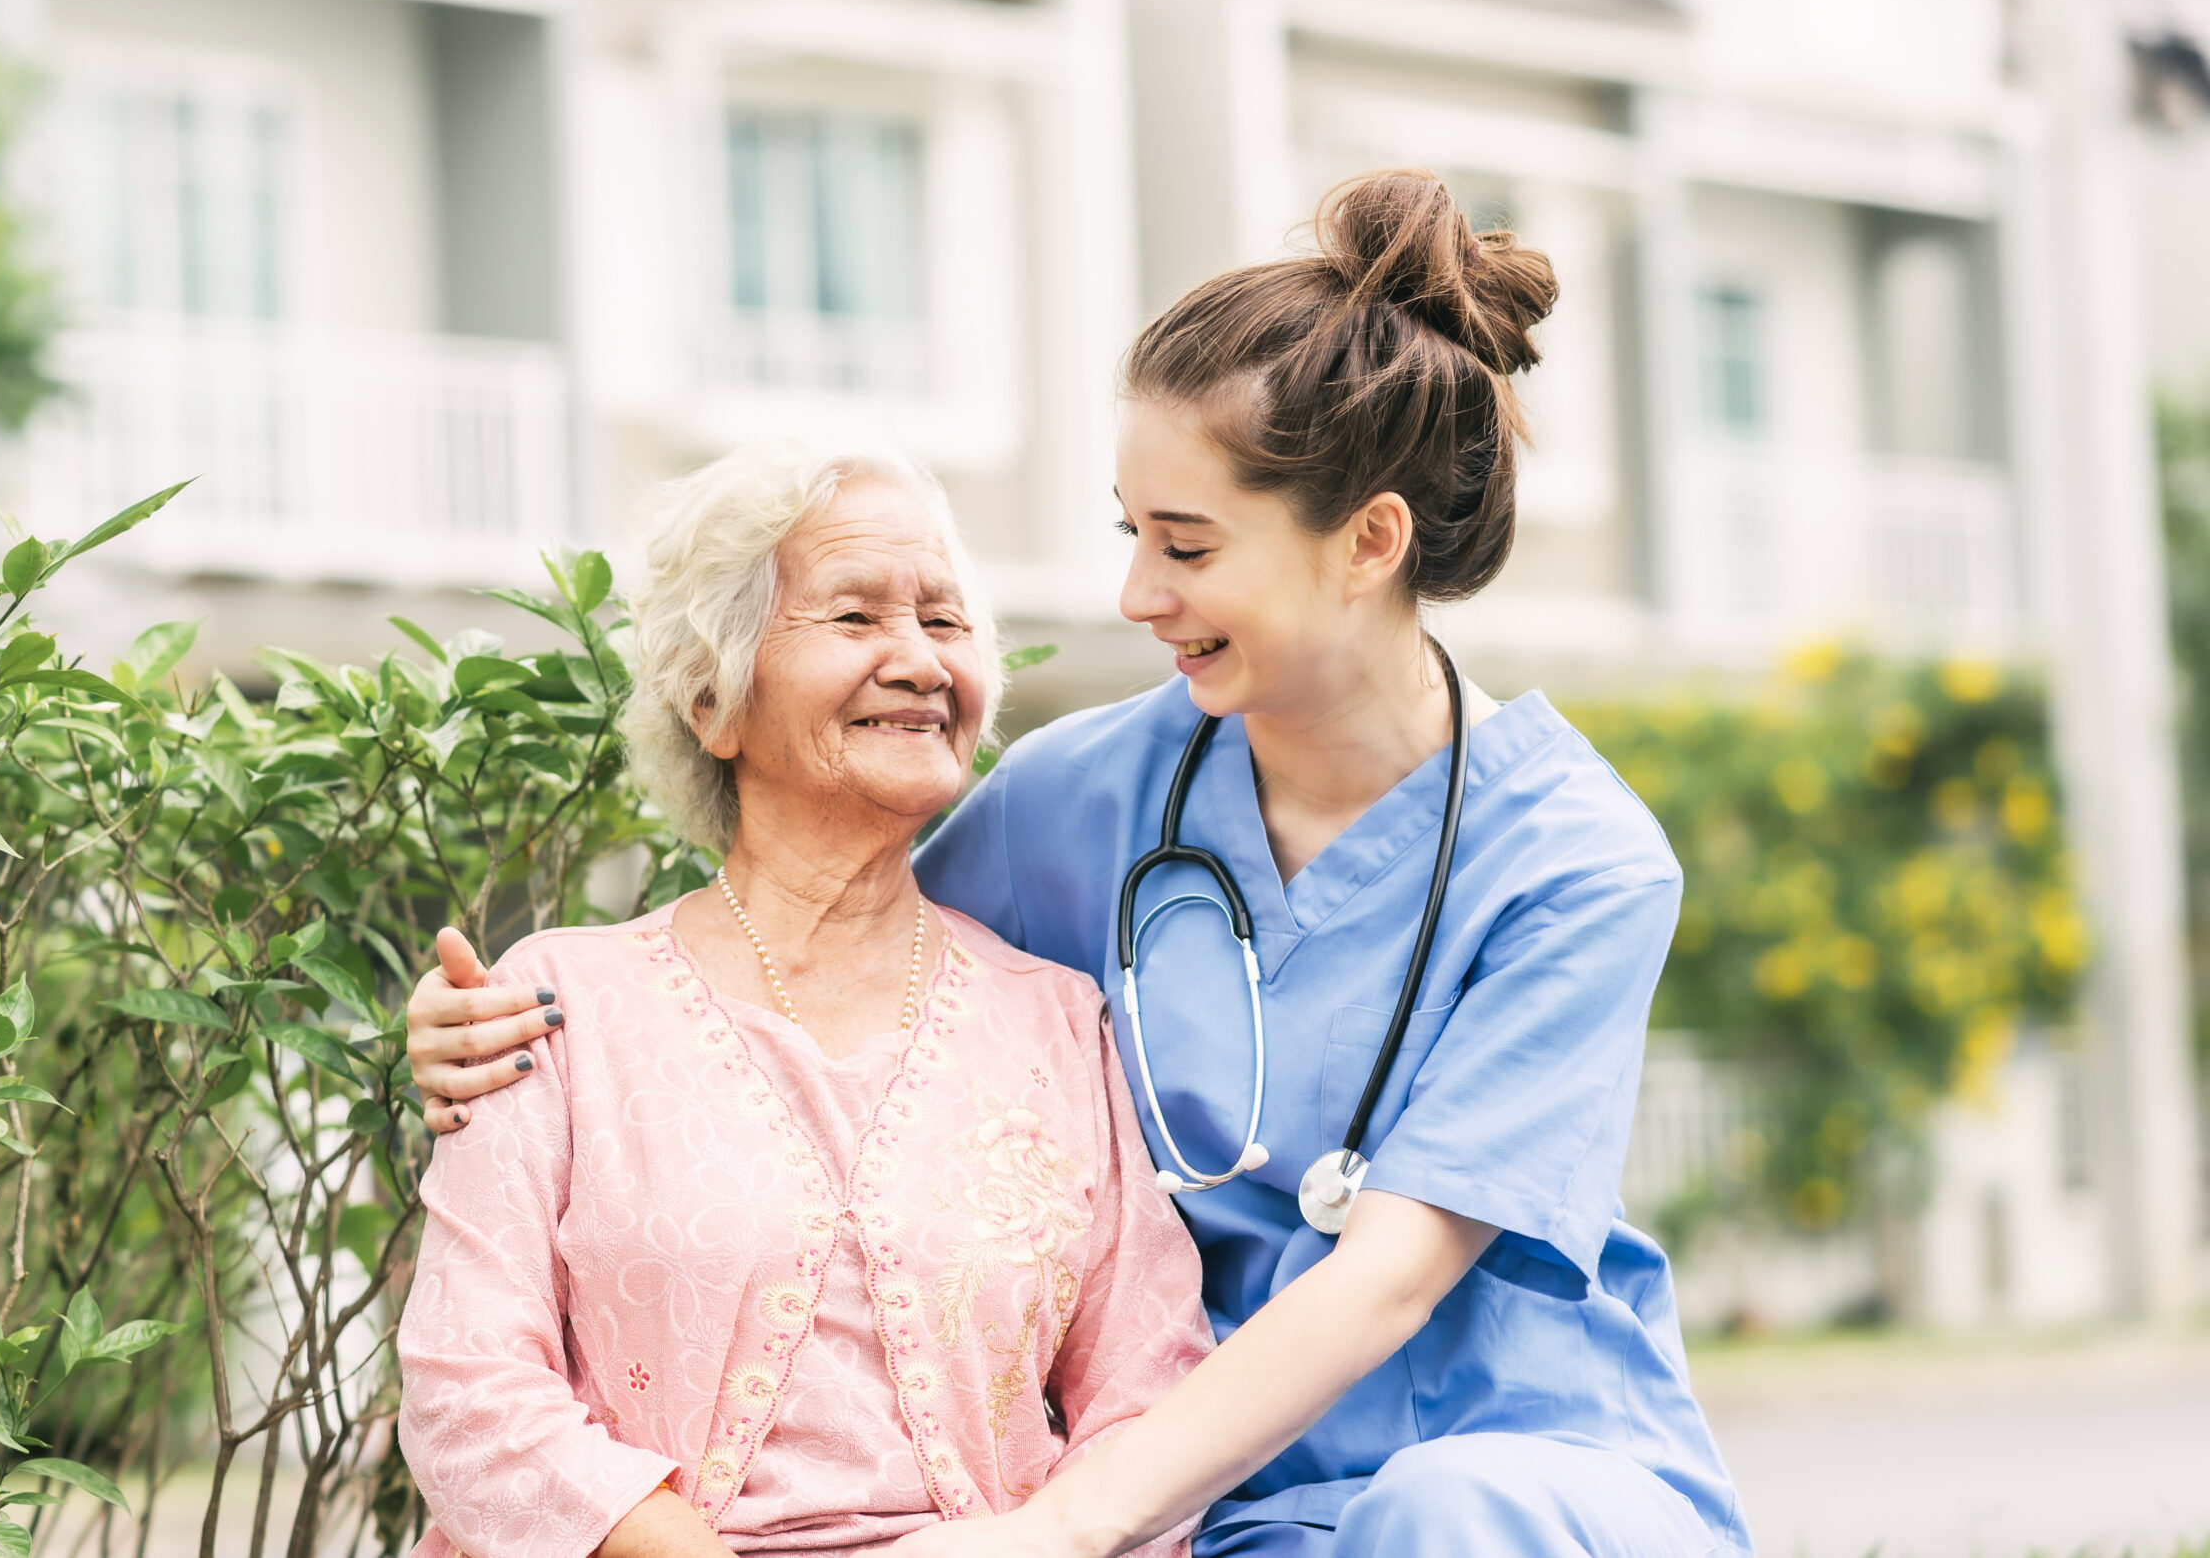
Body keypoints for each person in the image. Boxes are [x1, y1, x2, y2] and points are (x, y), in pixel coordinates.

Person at [407, 170, 1751, 1558]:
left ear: (1368, 542)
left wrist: (1046, 1531)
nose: (1136, 597)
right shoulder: (1083, 799)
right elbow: (820, 937)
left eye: (1186, 545)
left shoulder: (1575, 865)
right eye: (1131, 535)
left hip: (1508, 1486)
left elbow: (1390, 1283)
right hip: (1231, 1503)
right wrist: (506, 1028)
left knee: (1440, 1515)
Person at [396, 448, 1212, 1558]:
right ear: (714, 701)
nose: (919, 660)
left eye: (945, 620)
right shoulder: (559, 1004)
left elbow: (1152, 1388)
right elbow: (467, 1386)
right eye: (856, 615)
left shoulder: (1057, 1021)